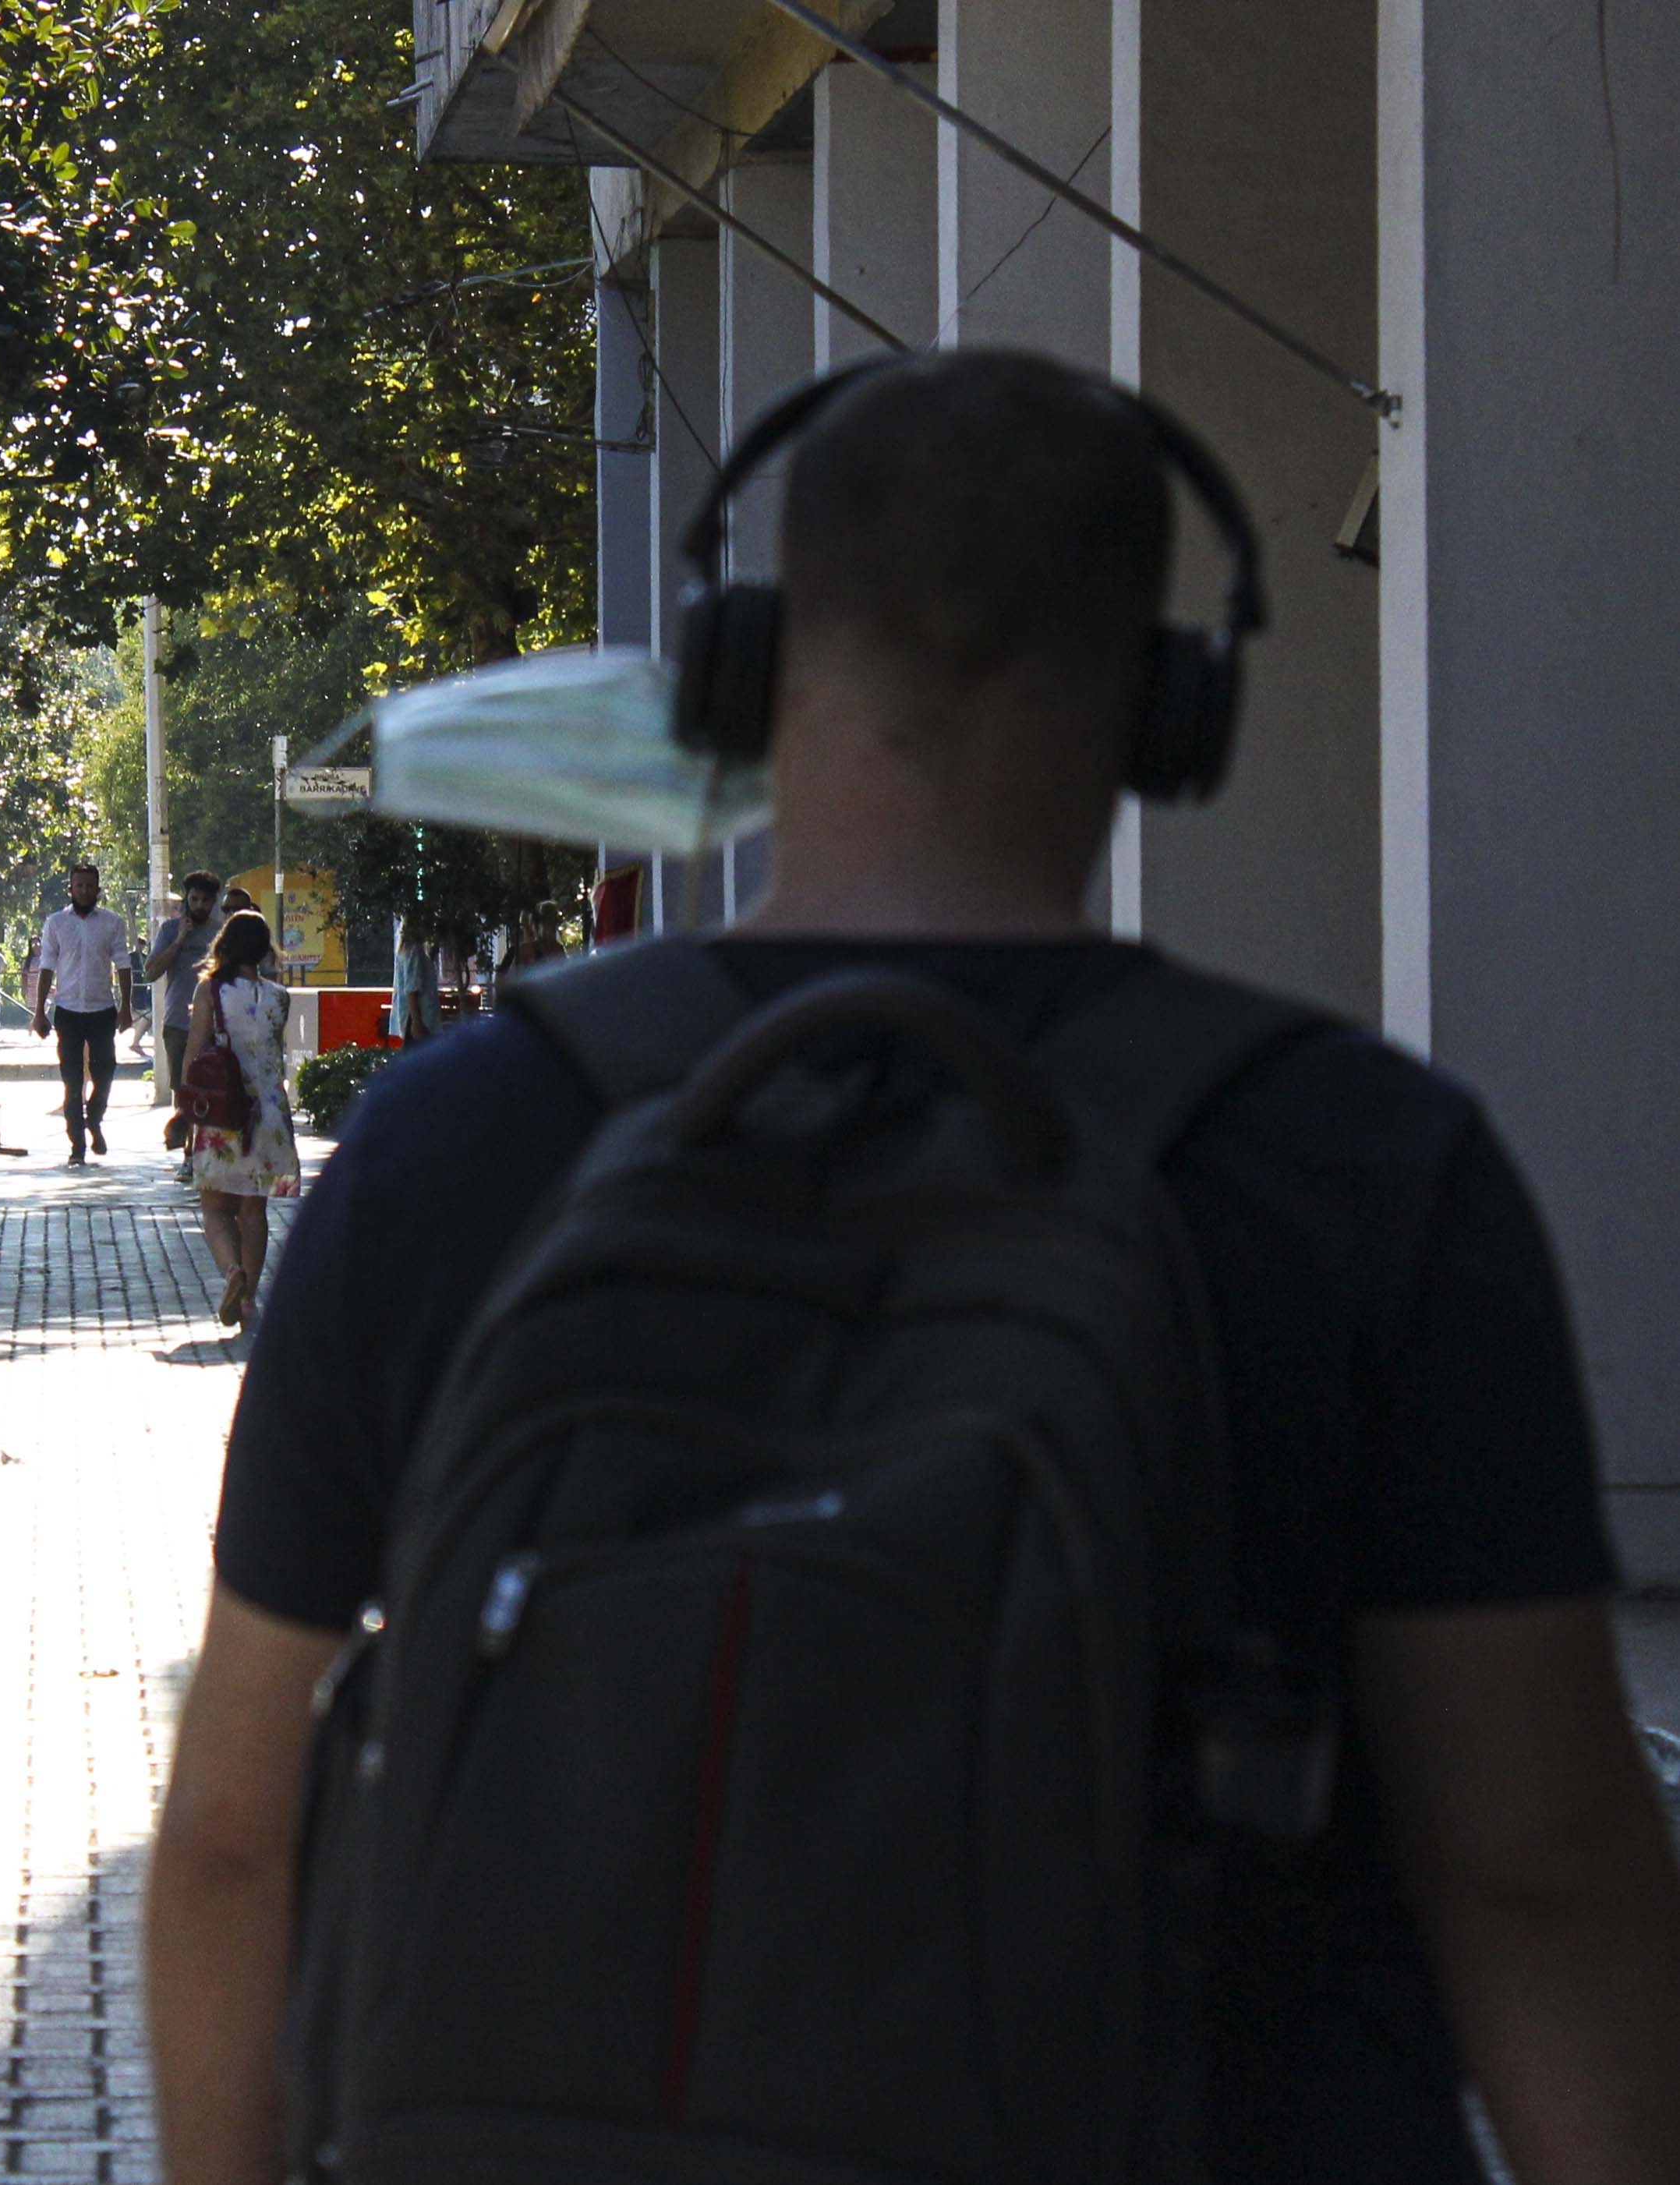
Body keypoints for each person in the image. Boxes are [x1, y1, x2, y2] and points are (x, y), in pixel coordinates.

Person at [146, 352, 1680, 2185]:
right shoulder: (1362, 1165)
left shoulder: (461, 1140)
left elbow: (237, 1835)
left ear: (742, 677)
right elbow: (1538, 1866)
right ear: (1168, 710)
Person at [180, 909, 296, 1328]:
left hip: (223, 1113)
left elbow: (196, 1052)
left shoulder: (210, 991)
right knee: (253, 1212)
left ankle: (232, 1273)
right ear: (265, 950)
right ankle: (248, 1301)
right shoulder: (279, 997)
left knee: (213, 1206)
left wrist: (185, 1110)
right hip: (268, 1116)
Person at [28, 862, 132, 1165]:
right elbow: (46, 967)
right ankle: (77, 1146)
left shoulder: (112, 923)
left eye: (90, 886)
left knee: (106, 1072)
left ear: (98, 889)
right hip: (68, 1011)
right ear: (70, 888)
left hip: (102, 1010)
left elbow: (123, 965)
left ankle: (95, 1118)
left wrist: (125, 1008)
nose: (85, 891)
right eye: (79, 886)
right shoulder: (56, 923)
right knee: (71, 1081)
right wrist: (39, 1012)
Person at [143, 872, 226, 1112]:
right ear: (186, 900)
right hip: (177, 1023)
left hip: (213, 1025)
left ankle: (203, 1143)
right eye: (194, 900)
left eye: (205, 901)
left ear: (213, 902)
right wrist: (180, 941)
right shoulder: (170, 930)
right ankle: (185, 1141)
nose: (199, 906)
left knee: (211, 1091)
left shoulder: (221, 932)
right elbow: (151, 972)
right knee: (182, 1092)